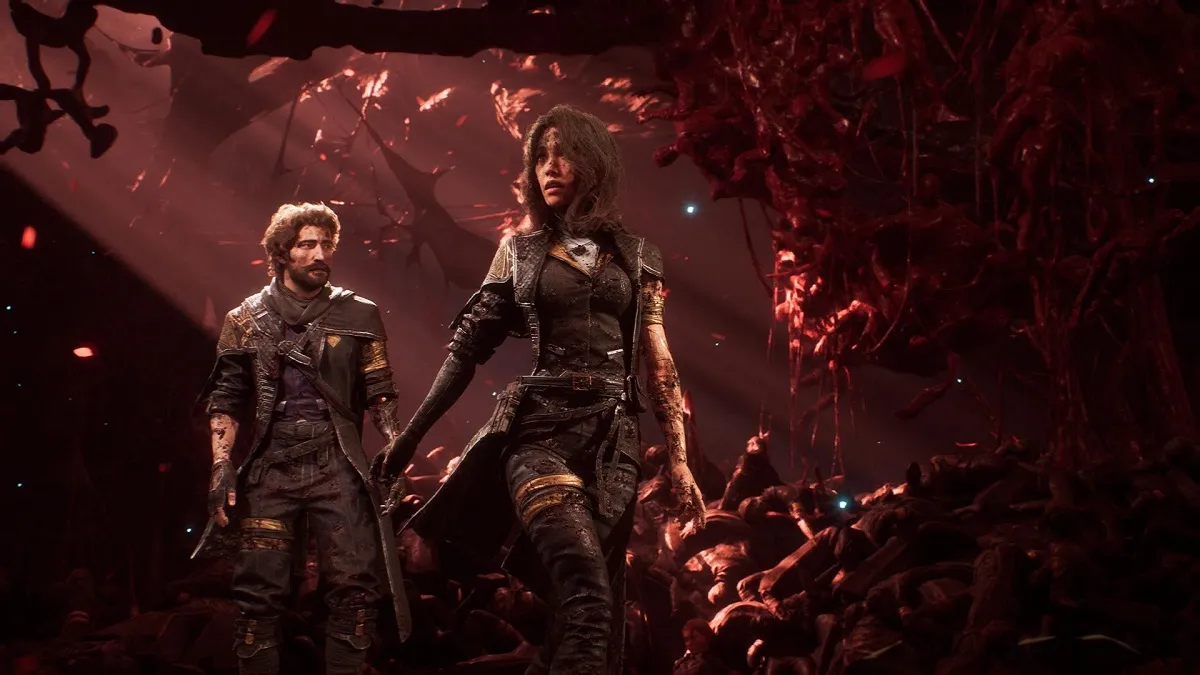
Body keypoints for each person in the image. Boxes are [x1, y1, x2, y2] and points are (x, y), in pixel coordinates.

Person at [370, 104, 707, 675]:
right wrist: (409, 438)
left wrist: (678, 461)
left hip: (615, 445)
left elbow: (660, 362)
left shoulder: (637, 254)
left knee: (593, 607)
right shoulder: (518, 250)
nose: (549, 167)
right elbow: (466, 350)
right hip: (538, 434)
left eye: (563, 153)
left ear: (593, 162)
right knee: (586, 592)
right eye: (540, 156)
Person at [194, 202, 411, 675]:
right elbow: (226, 399)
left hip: (337, 464)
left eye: (326, 245)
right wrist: (221, 464)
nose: (320, 255)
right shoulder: (245, 318)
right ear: (282, 252)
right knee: (257, 596)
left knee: (355, 591)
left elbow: (380, 392)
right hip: (272, 468)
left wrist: (394, 452)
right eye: (307, 244)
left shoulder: (359, 313)